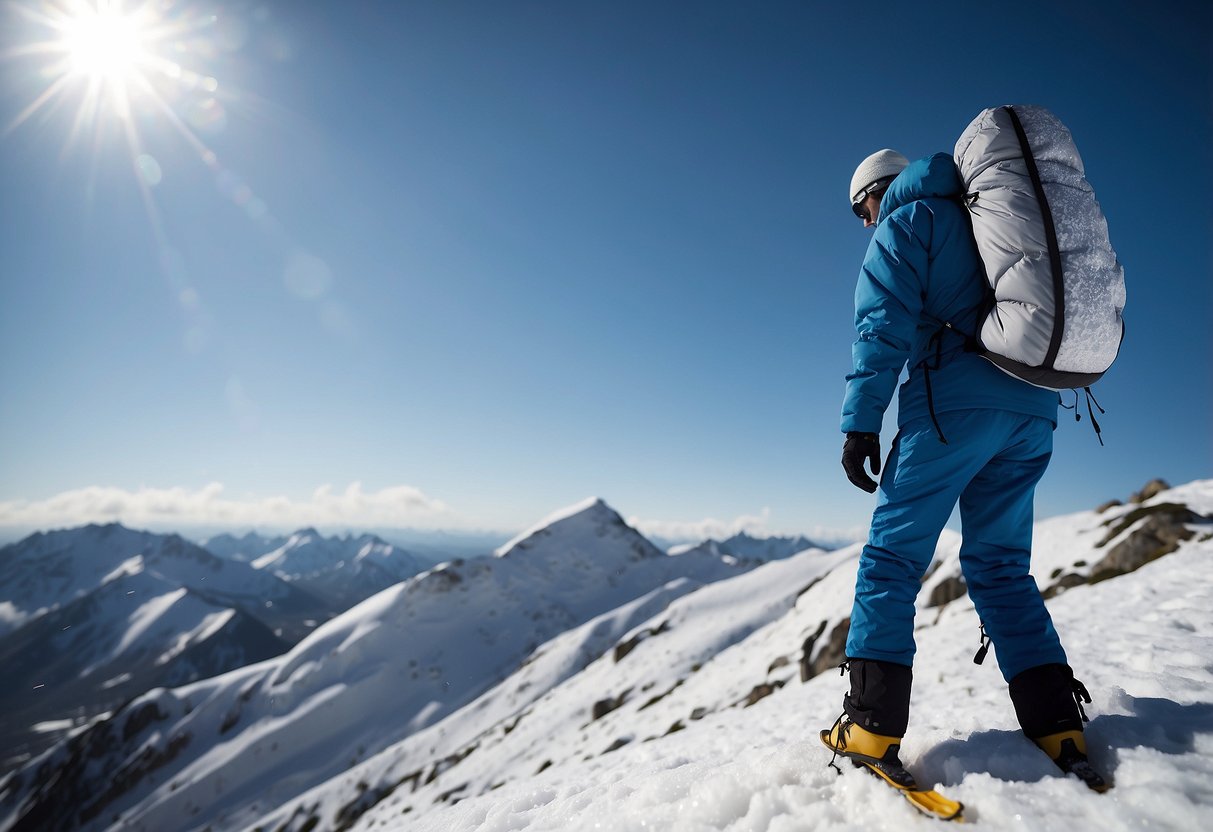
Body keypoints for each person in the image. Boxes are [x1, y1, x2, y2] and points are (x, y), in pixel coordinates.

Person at [819, 149, 1108, 791]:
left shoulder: (906, 222)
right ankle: (1057, 722)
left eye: (860, 208)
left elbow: (881, 326)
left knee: (892, 561)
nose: (865, 223)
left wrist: (860, 422)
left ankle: (869, 728)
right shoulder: (988, 221)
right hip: (1034, 410)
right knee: (1002, 567)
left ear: (875, 192)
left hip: (951, 410)